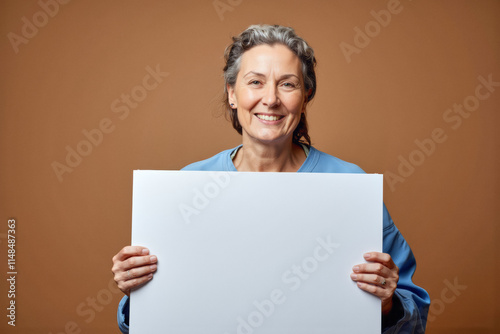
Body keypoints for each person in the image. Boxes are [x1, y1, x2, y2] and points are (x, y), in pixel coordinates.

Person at [111, 24, 430, 333]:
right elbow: (154, 320)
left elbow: (414, 319)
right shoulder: (188, 187)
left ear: (305, 97)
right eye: (256, 82)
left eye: (287, 84)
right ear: (231, 93)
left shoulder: (351, 186)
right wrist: (135, 292)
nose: (271, 99)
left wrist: (389, 304)